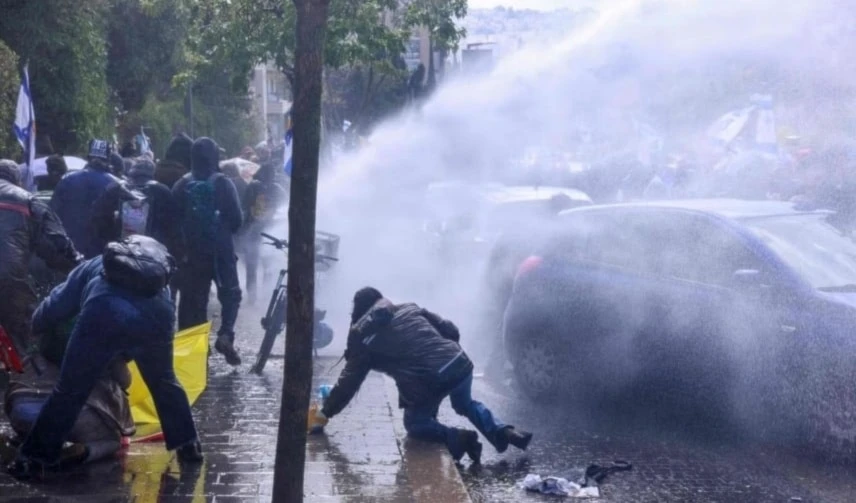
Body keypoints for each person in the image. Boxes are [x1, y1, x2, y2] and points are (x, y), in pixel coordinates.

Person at [7, 236, 203, 478]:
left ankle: (34, 457)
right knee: (164, 381)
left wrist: (35, 325)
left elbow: (56, 306)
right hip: (158, 312)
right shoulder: (154, 283)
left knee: (70, 389)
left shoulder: (90, 267)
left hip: (104, 311)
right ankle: (188, 445)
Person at [313, 287, 533, 464]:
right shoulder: (408, 307)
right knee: (465, 403)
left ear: (358, 312)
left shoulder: (363, 337)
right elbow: (451, 330)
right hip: (459, 362)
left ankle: (459, 438)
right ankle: (505, 431)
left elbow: (347, 385)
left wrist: (324, 415)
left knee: (415, 424)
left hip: (429, 380)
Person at [173, 137, 243, 365]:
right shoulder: (224, 183)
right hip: (220, 250)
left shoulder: (182, 184)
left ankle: (195, 350)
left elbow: (173, 220)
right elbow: (237, 220)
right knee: (230, 294)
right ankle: (225, 334)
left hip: (192, 254)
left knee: (193, 300)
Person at [0, 160, 80, 355]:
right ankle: (17, 377)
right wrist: (79, 268)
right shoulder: (27, 201)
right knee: (21, 338)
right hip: (8, 285)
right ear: (17, 180)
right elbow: (58, 247)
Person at [91, 158, 182, 260]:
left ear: (131, 172)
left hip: (117, 253)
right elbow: (173, 227)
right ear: (153, 173)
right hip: (151, 256)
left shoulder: (114, 188)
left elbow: (97, 218)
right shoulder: (162, 191)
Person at [50, 139, 119, 258]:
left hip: (68, 251)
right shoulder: (116, 184)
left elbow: (51, 214)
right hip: (101, 255)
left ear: (88, 157)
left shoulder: (67, 179)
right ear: (108, 159)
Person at [241, 160, 287, 304]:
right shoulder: (277, 189)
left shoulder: (253, 186)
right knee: (266, 264)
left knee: (252, 265)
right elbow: (284, 209)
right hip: (270, 232)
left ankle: (252, 296)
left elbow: (244, 207)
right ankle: (265, 295)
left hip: (254, 232)